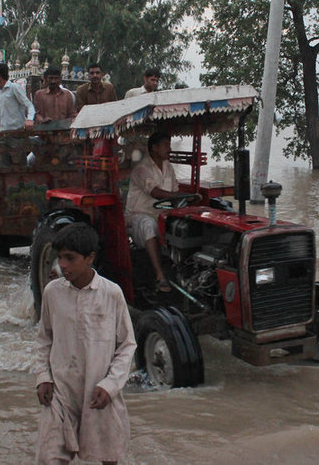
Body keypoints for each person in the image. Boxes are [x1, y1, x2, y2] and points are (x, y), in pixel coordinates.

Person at [34, 223, 136, 465]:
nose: (62, 264)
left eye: (70, 258)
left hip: (98, 391)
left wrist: (110, 385)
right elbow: (44, 339)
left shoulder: (111, 294)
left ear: (90, 258)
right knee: (49, 457)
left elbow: (127, 345)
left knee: (108, 455)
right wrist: (43, 377)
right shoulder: (52, 292)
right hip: (61, 391)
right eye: (60, 257)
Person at [125, 131, 195, 292]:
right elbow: (155, 193)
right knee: (149, 225)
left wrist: (187, 201)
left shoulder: (168, 167)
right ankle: (160, 275)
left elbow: (175, 192)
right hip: (138, 215)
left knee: (184, 226)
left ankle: (185, 271)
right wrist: (179, 196)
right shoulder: (141, 169)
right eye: (166, 145)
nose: (169, 149)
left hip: (162, 214)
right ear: (154, 148)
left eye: (169, 145)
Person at [0, 62, 35, 144]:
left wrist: (30, 119)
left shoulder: (14, 88)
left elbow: (29, 105)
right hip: (4, 135)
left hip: (18, 134)